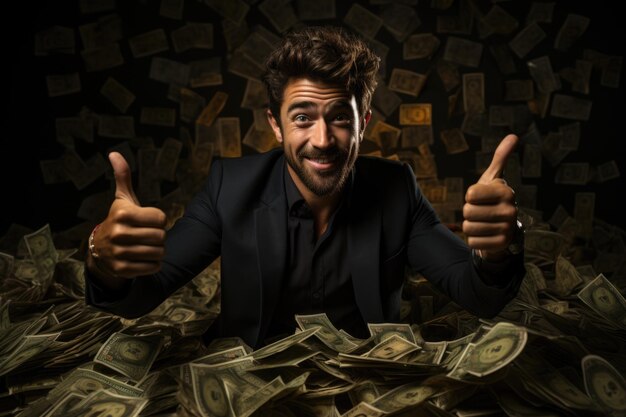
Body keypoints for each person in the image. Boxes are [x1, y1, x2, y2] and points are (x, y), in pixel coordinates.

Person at [84, 26, 524, 349]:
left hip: (363, 383)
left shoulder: (397, 190)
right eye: (302, 118)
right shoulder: (228, 188)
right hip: (252, 383)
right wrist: (104, 261)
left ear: (363, 124)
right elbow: (140, 295)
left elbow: (475, 294)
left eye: (339, 117)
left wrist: (496, 252)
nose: (322, 139)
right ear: (275, 125)